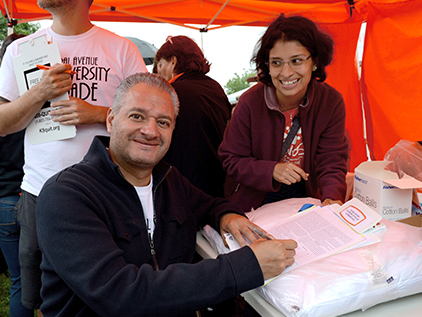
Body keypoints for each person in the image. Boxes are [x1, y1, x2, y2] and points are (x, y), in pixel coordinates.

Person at [35, 73, 298, 316]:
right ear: (111, 120)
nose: (150, 131)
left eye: (163, 122)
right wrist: (246, 266)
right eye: (137, 116)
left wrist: (227, 216)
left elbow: (210, 204)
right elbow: (121, 295)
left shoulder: (169, 179)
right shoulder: (67, 195)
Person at [0, 0, 147, 312]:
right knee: (38, 300)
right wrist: (39, 93)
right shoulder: (21, 49)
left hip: (107, 196)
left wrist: (97, 113)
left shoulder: (121, 50)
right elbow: (2, 124)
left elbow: (148, 117)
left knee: (105, 294)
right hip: (39, 193)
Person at [218, 14, 349, 212]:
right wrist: (271, 170)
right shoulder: (250, 102)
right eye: (276, 63)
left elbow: (331, 161)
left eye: (296, 61)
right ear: (267, 65)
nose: (286, 73)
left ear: (314, 62)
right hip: (255, 197)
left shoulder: (331, 102)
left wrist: (332, 198)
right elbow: (231, 158)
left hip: (307, 193)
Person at [155, 35, 232, 198]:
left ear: (173, 62)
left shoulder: (172, 91)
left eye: (160, 65)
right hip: (219, 181)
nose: (159, 72)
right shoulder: (215, 87)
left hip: (184, 186)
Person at [0, 33, 33, 317]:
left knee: (20, 282)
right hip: (31, 196)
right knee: (46, 280)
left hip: (5, 200)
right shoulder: (36, 100)